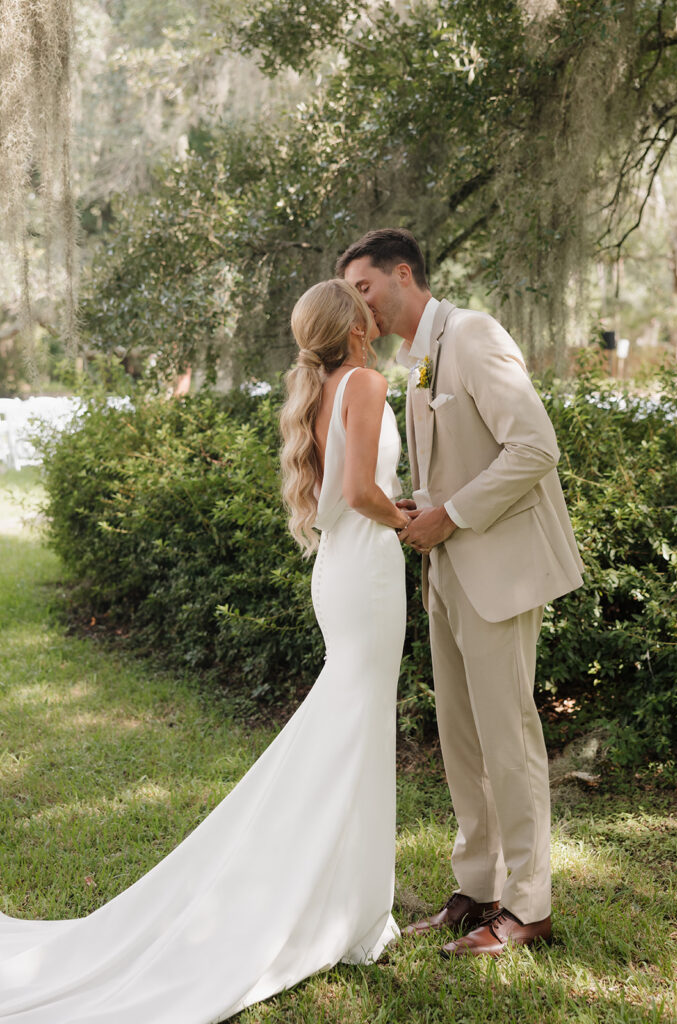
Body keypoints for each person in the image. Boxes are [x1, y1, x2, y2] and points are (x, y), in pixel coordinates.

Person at [0, 279, 410, 1022]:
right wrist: (407, 516)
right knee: (357, 727)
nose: (374, 308)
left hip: (342, 572)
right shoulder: (368, 380)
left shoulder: (320, 388)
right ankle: (340, 907)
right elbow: (357, 490)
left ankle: (349, 901)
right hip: (370, 567)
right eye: (363, 301)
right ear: (353, 327)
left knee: (352, 727)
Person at [338, 228, 584, 958]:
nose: (359, 307)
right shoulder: (415, 361)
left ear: (402, 274)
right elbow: (448, 464)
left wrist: (454, 514)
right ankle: (477, 889)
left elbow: (536, 448)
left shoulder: (473, 335)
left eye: (364, 288)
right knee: (462, 742)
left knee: (508, 740)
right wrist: (421, 509)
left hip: (500, 572)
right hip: (446, 571)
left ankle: (529, 908)